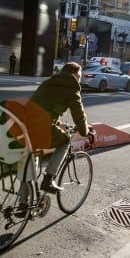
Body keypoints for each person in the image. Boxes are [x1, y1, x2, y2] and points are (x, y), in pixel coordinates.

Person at [27, 61, 93, 193]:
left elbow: (44, 107)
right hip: (41, 128)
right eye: (79, 77)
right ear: (74, 75)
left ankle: (23, 204)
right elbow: (79, 115)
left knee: (26, 167)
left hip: (25, 124)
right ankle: (49, 179)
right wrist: (85, 131)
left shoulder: (49, 82)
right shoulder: (72, 88)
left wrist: (57, 124)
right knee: (65, 141)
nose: (79, 81)